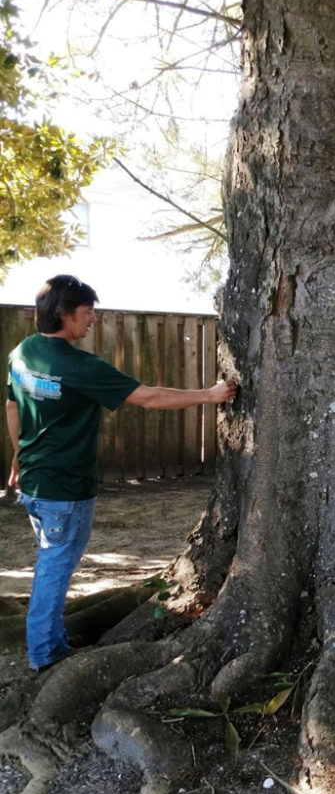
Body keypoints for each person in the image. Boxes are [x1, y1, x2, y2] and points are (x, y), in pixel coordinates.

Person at [4, 275, 237, 671]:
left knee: (50, 563)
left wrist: (17, 455)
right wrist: (209, 395)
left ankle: (51, 640)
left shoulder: (22, 354)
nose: (92, 320)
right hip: (65, 489)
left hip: (35, 481)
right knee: (54, 569)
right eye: (87, 313)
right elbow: (148, 396)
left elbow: (12, 408)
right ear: (63, 315)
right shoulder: (78, 366)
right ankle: (45, 654)